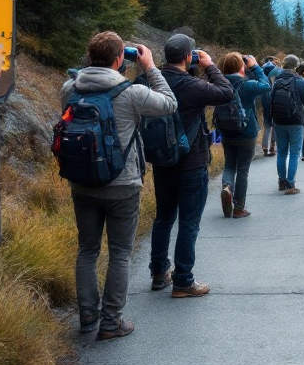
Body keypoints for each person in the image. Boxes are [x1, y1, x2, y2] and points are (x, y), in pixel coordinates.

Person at [62, 31, 177, 340]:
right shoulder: (131, 93)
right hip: (122, 184)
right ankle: (111, 322)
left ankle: (88, 317)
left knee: (87, 249)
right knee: (120, 253)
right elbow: (169, 103)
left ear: (89, 57)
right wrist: (150, 67)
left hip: (82, 182)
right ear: (118, 59)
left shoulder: (69, 89)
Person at [153, 34, 234, 298]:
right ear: (189, 57)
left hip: (162, 160)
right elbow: (226, 92)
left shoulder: (150, 81)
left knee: (164, 217)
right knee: (189, 222)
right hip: (192, 162)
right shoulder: (193, 85)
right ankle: (184, 281)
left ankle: (158, 272)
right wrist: (209, 66)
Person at [218, 52, 270, 218]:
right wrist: (255, 67)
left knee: (229, 165)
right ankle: (239, 207)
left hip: (226, 131)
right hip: (246, 132)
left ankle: (227, 186)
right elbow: (266, 85)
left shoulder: (219, 84)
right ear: (241, 67)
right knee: (242, 170)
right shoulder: (247, 85)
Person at [270, 55, 304, 193]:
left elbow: (270, 99)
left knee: (281, 152)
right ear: (296, 66)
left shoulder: (276, 80)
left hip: (278, 120)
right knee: (295, 153)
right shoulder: (302, 82)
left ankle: (281, 181)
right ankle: (291, 183)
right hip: (296, 120)